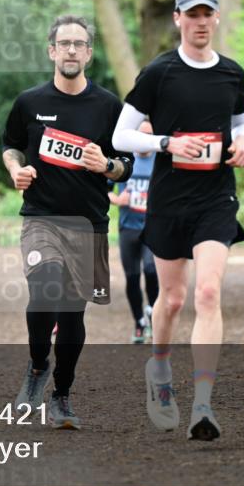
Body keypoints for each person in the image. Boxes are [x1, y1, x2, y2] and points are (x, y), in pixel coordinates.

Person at [113, 0, 244, 441]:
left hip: (216, 197)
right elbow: (120, 136)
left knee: (208, 293)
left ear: (217, 17)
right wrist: (167, 143)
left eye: (207, 13)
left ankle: (203, 405)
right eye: (192, 14)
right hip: (170, 198)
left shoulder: (231, 73)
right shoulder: (159, 73)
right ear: (177, 19)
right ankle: (158, 369)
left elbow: (243, 120)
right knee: (172, 300)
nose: (200, 22)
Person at [2, 15, 133, 430]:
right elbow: (11, 146)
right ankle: (37, 365)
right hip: (41, 218)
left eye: (79, 44)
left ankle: (61, 394)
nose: (72, 50)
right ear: (52, 51)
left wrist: (107, 165)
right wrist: (16, 170)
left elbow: (127, 164)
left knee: (73, 314)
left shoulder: (109, 106)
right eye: (65, 43)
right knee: (45, 287)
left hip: (88, 223)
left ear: (89, 53)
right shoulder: (29, 102)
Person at [108, 120, 159, 343]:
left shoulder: (160, 160)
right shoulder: (125, 160)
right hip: (128, 227)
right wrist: (117, 199)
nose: (144, 141)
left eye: (149, 135)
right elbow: (103, 189)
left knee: (151, 269)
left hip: (152, 228)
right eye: (141, 135)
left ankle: (154, 313)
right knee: (132, 277)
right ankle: (139, 322)